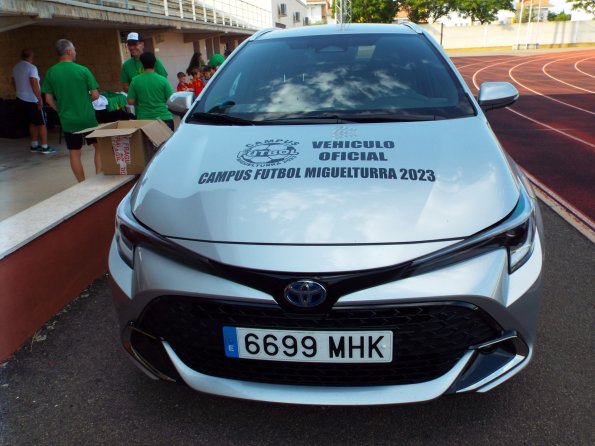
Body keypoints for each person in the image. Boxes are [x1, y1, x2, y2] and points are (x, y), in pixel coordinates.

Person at [42, 39, 101, 182]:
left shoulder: (51, 72)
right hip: (87, 117)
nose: (75, 52)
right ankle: (99, 179)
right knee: (99, 147)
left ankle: (82, 183)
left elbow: (48, 100)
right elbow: (95, 95)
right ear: (69, 51)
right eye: (74, 49)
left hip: (68, 119)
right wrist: (84, 102)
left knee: (74, 153)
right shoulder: (83, 70)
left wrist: (60, 110)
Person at [11, 49, 56, 154]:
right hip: (32, 100)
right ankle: (44, 147)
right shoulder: (32, 68)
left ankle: (34, 145)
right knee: (42, 123)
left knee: (32, 122)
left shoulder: (16, 67)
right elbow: (34, 82)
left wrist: (19, 91)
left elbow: (13, 81)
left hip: (20, 98)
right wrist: (39, 98)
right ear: (31, 56)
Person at [127, 52, 175, 131]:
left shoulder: (135, 80)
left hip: (144, 120)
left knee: (147, 144)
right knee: (166, 143)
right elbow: (171, 100)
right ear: (155, 63)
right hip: (164, 118)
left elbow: (130, 101)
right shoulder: (163, 80)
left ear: (142, 64)